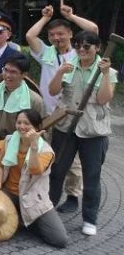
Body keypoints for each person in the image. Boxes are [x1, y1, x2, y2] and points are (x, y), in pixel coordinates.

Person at [26, 0, 96, 213]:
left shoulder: (80, 52)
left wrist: (70, 17)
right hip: (49, 112)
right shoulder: (47, 52)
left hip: (72, 112)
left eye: (61, 33)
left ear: (70, 34)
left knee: (70, 156)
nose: (57, 38)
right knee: (50, 152)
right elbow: (30, 36)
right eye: (52, 35)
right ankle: (48, 191)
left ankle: (73, 195)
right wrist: (45, 18)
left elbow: (93, 29)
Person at [48, 31, 116, 237]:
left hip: (93, 131)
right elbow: (52, 92)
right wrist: (59, 73)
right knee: (57, 171)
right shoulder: (68, 66)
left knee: (92, 176)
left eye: (87, 46)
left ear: (97, 47)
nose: (81, 49)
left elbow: (104, 99)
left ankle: (90, 219)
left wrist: (104, 75)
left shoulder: (108, 71)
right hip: (65, 127)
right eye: (78, 45)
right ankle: (47, 211)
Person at [0, 109, 69, 248]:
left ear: (37, 127)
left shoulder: (46, 150)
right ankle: (21, 218)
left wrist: (34, 145)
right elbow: (0, 165)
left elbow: (35, 170)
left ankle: (25, 221)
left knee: (60, 240)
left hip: (33, 199)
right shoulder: (10, 140)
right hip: (9, 193)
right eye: (19, 122)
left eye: (27, 123)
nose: (22, 126)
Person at [0, 55, 45, 149]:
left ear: (24, 75)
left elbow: (42, 130)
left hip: (23, 147)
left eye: (13, 72)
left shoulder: (35, 100)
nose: (7, 75)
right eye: (5, 70)